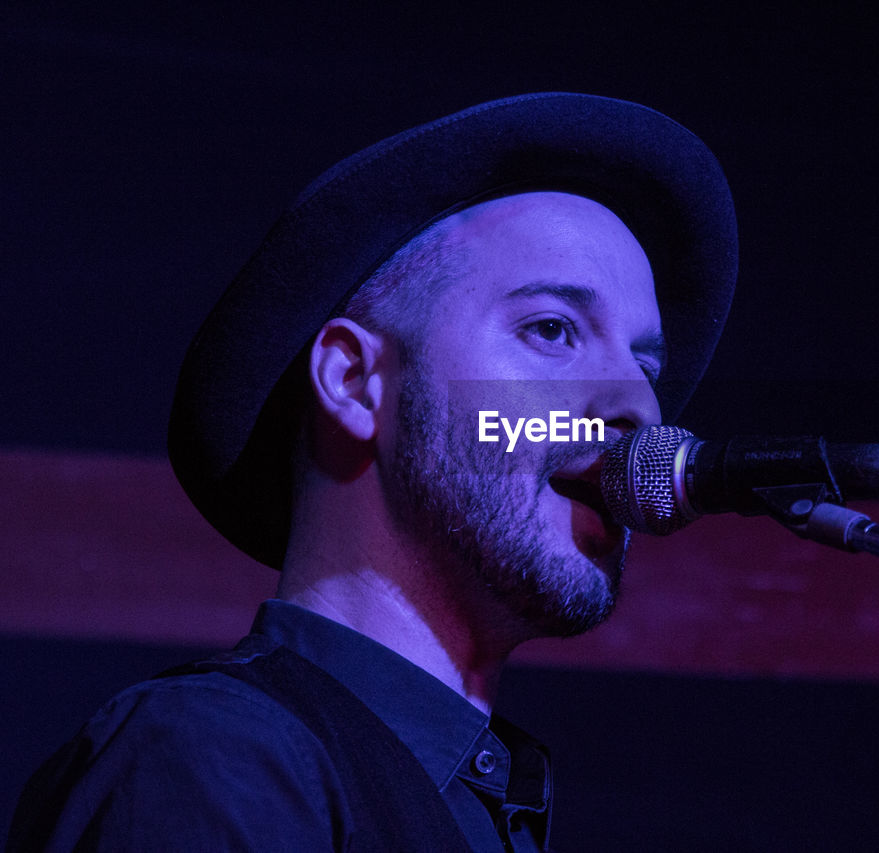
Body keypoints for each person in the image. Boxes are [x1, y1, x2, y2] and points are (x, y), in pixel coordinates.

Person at [7, 92, 737, 851]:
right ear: (356, 381)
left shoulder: (480, 800)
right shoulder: (210, 752)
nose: (639, 409)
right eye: (551, 329)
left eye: (643, 365)